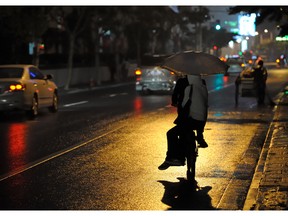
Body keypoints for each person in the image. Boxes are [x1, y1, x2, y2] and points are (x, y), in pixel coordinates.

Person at [158, 74, 208, 170]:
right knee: (197, 119)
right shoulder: (202, 82)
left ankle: (172, 158)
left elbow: (177, 98)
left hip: (187, 120)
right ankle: (200, 137)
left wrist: (175, 103)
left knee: (171, 133)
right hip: (201, 121)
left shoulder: (182, 82)